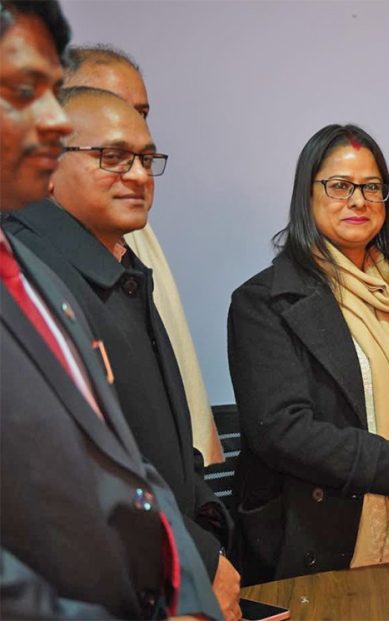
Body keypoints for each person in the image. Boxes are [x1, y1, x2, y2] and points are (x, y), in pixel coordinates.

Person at [0, 1, 220, 617]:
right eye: (112, 156)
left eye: (147, 157)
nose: (138, 175)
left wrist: (205, 547)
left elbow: (160, 453)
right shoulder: (43, 268)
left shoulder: (126, 261)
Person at [227, 124, 389, 583]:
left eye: (372, 187)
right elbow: (282, 431)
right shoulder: (263, 301)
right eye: (339, 186)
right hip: (320, 540)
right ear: (308, 194)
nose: (358, 200)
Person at [63, 43, 223, 465]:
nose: (130, 123)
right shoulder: (27, 253)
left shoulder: (135, 229)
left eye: (142, 112)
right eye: (110, 104)